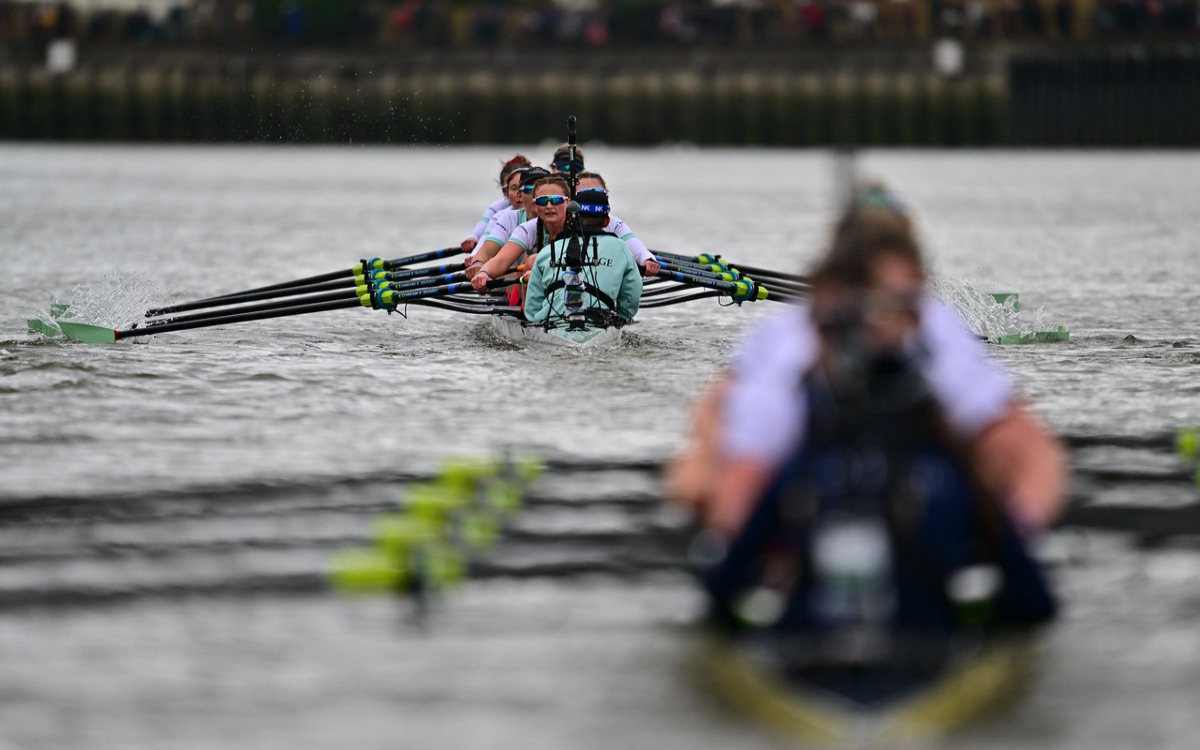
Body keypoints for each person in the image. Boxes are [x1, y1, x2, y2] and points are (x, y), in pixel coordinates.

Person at [671, 186, 1063, 642]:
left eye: (895, 305)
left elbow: (1034, 456)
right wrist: (734, 540)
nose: (877, 319)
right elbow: (730, 466)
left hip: (913, 501)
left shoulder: (937, 331)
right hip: (805, 506)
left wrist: (1009, 539)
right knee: (704, 478)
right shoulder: (787, 341)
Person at [524, 187, 643, 326]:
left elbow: (532, 309)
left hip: (553, 325)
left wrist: (537, 321)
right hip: (599, 324)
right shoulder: (621, 248)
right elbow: (632, 291)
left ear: (571, 219)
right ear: (606, 221)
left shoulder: (547, 251)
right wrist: (623, 317)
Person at [465, 166, 550, 280]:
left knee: (531, 261)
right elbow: (488, 252)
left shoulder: (565, 218)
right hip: (519, 278)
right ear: (519, 194)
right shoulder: (509, 217)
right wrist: (478, 264)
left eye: (543, 190)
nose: (537, 194)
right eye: (530, 189)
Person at [575, 171, 662, 277]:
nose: (592, 197)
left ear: (606, 197)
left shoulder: (613, 223)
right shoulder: (560, 220)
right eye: (584, 194)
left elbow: (635, 246)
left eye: (598, 193)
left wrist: (647, 260)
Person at [460, 155, 530, 255]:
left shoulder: (548, 208)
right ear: (505, 191)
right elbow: (484, 231)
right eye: (512, 188)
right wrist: (474, 239)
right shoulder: (501, 212)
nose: (519, 193)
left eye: (526, 187)